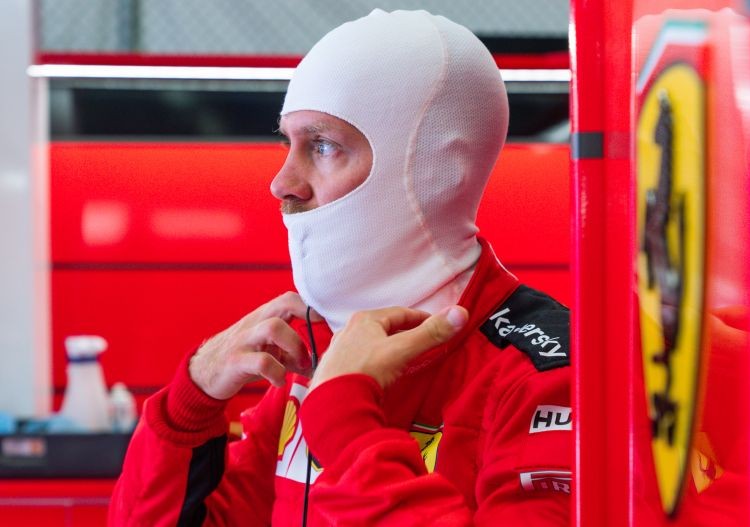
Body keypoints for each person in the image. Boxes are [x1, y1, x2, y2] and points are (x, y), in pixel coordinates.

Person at [109, 9, 571, 526]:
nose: (281, 183)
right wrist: (188, 407)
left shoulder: (549, 379)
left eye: (323, 145)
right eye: (288, 143)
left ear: (438, 166)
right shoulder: (318, 351)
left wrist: (344, 420)